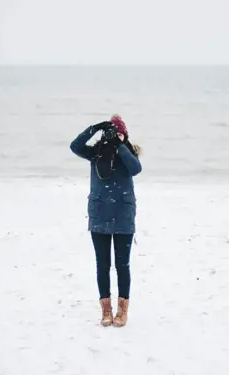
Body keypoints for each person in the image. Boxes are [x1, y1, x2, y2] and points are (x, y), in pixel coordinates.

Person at [70, 115, 142, 327]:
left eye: (119, 132)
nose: (114, 136)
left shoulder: (129, 153)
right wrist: (94, 128)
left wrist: (120, 145)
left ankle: (122, 311)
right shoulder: (96, 154)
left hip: (123, 215)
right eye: (111, 132)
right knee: (103, 265)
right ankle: (106, 310)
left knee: (122, 265)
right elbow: (75, 146)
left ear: (125, 134)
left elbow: (136, 169)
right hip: (100, 214)